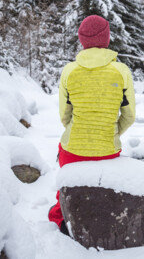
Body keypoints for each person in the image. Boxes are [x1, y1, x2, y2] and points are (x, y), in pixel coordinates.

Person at [48, 15, 136, 234]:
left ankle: (61, 219)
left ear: (82, 40)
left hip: (73, 149)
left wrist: (76, 130)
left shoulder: (69, 70)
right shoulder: (121, 71)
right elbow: (129, 115)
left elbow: (64, 115)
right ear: (106, 38)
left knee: (66, 189)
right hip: (107, 149)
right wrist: (113, 132)